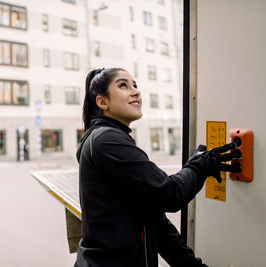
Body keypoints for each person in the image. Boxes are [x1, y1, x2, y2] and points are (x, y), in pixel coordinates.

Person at [74, 68, 241, 267]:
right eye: (123, 85)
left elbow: (155, 221)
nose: (136, 91)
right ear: (102, 102)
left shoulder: (113, 138)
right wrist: (201, 164)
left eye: (135, 85)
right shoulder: (106, 140)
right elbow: (170, 193)